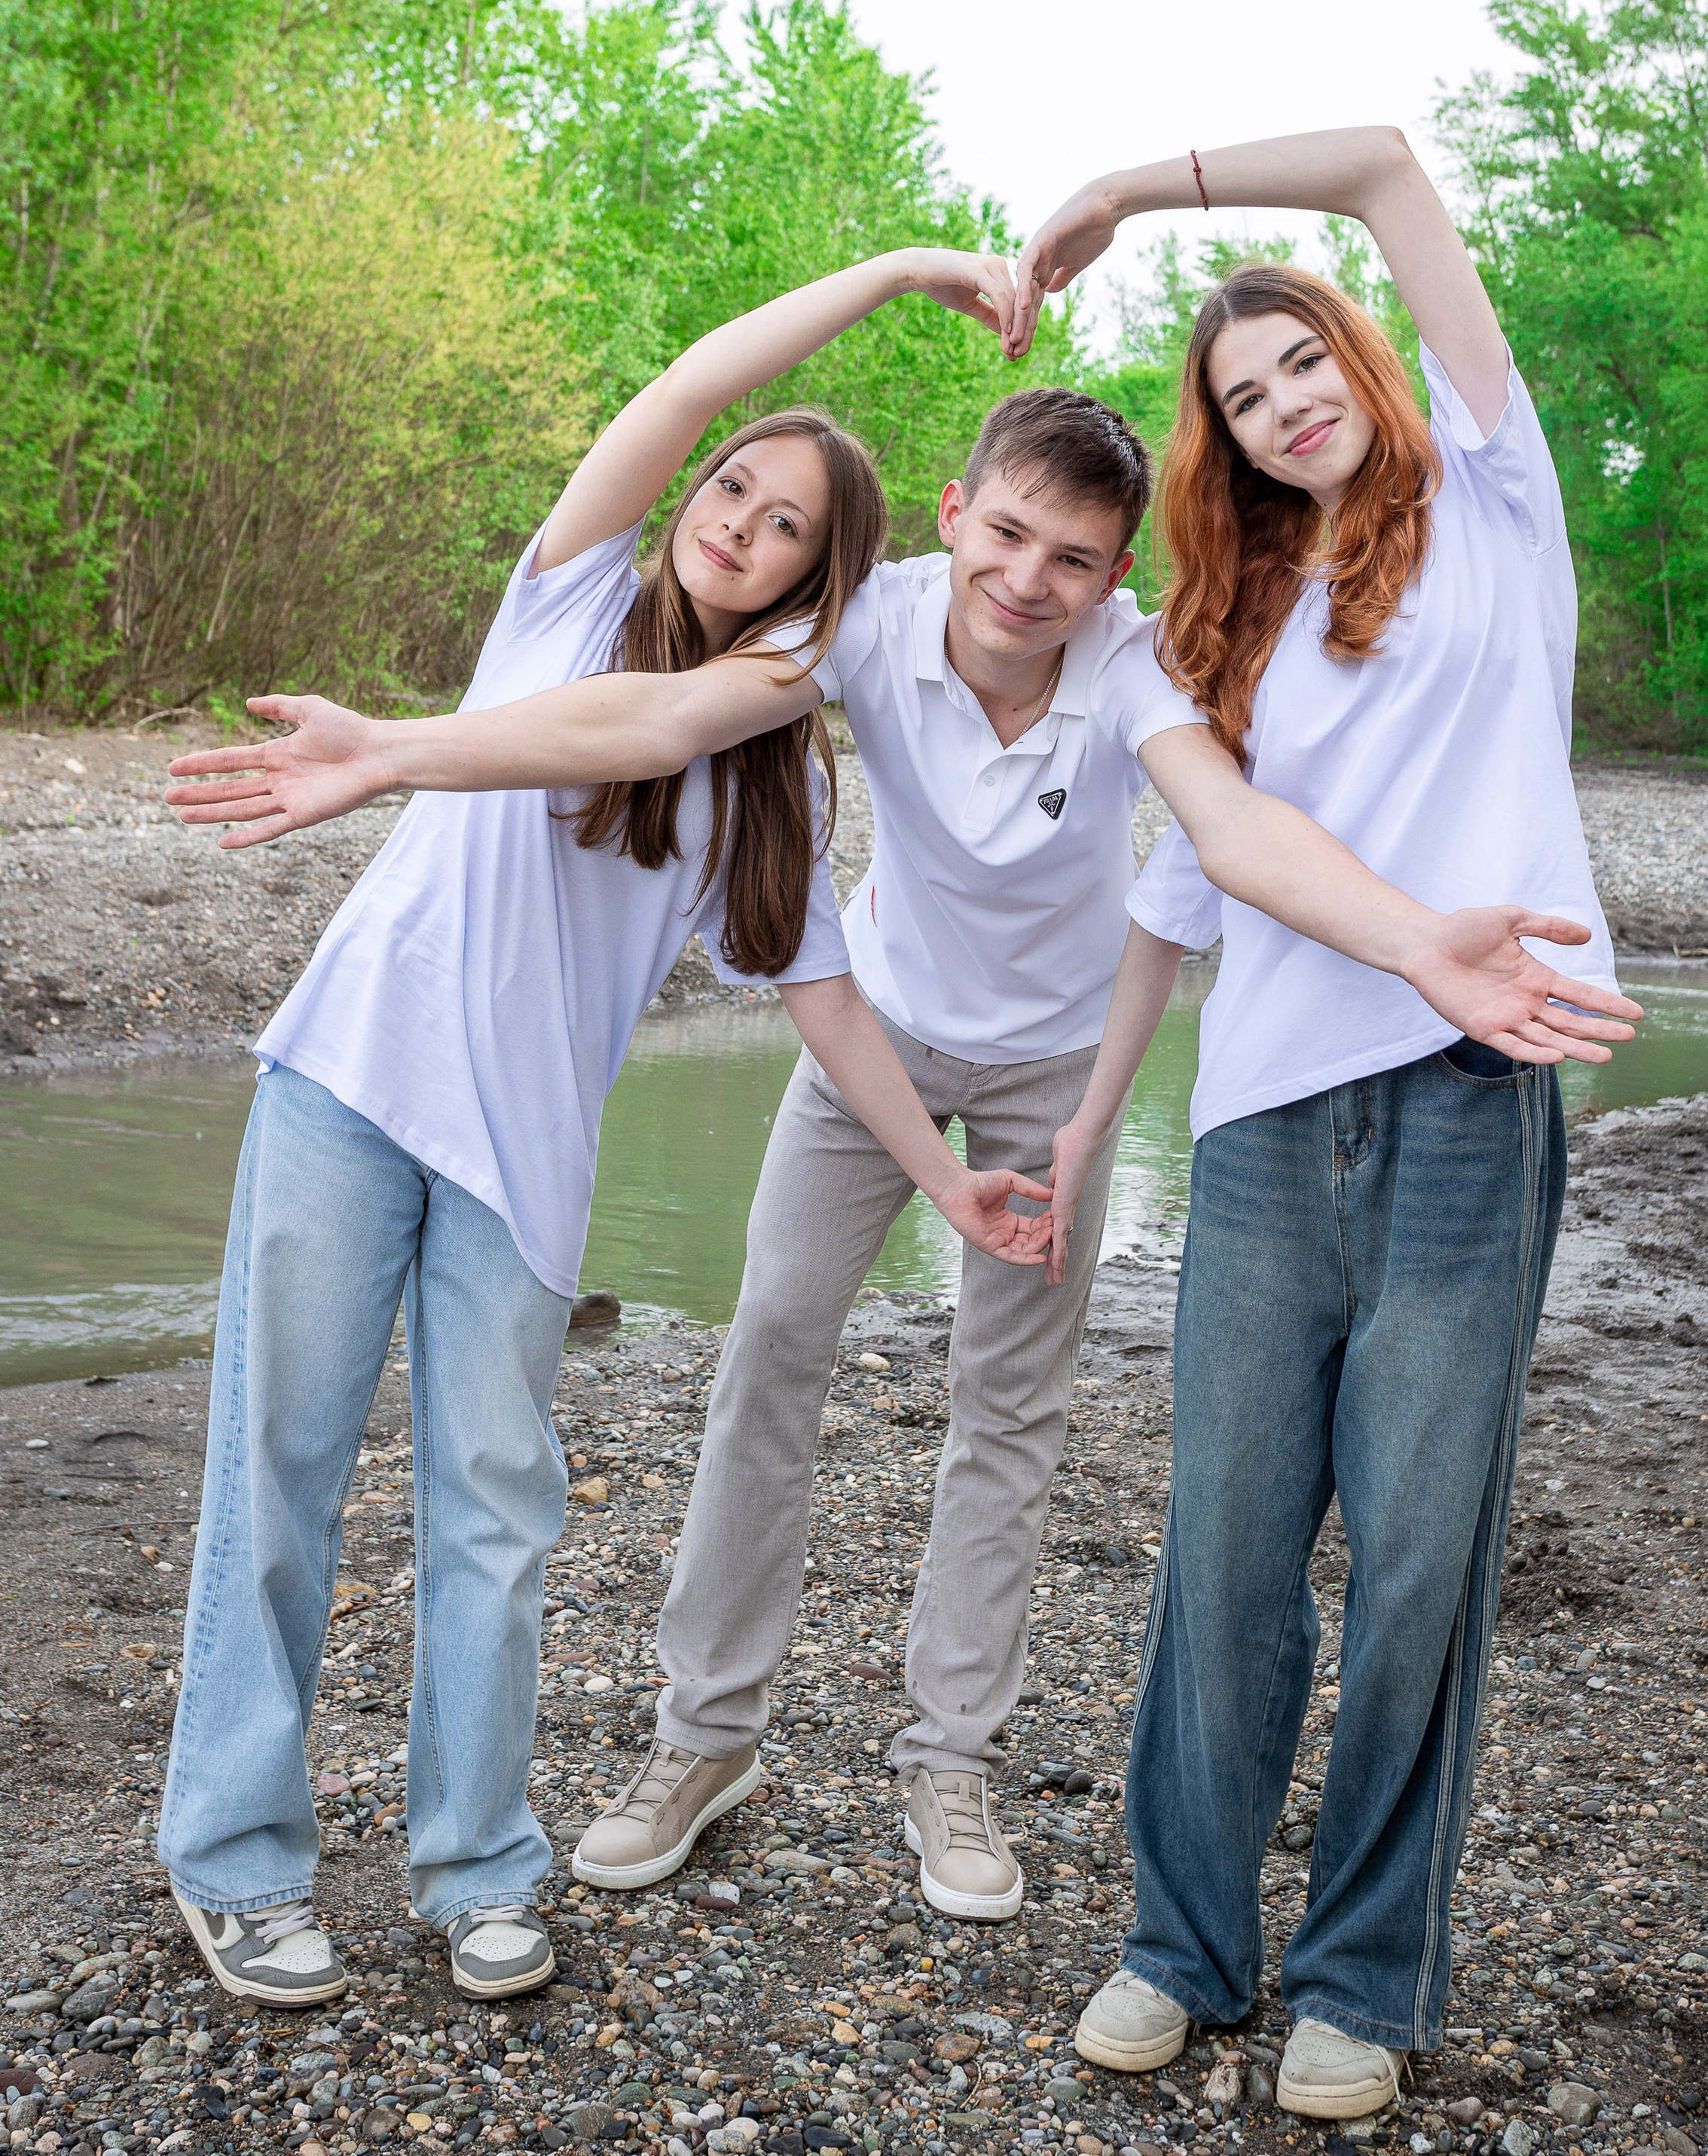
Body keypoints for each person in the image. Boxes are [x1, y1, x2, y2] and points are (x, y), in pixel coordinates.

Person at [173, 359, 1634, 1937]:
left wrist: (1411, 947)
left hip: (1056, 1067)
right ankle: (699, 1744)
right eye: (1003, 537)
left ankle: (950, 1762)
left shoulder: (1134, 668)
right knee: (765, 1361)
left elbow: (1222, 843)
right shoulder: (868, 621)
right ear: (953, 513)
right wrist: (394, 747)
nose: (1026, 583)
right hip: (875, 1029)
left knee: (1006, 1417)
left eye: (1070, 561)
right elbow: (663, 713)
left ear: (1111, 576)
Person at [154, 245, 1077, 2011]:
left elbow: (819, 992)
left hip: (522, 1167)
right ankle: (239, 1860)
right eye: (734, 485)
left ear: (818, 580)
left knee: (495, 1513)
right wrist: (891, 276)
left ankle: (474, 1862)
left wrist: (948, 1178)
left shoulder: (753, 749)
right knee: (274, 1482)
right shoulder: (561, 595)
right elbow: (688, 382)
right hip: (345, 1085)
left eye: (790, 524)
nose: (740, 518)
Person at [1011, 127, 1624, 2113]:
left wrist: (1136, 191)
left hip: (1473, 1109)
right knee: (1229, 1546)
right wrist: (1097, 1132)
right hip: (1270, 1125)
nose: (1282, 407)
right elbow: (1174, 912)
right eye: (1241, 397)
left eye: (1301, 366)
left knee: (1426, 1560)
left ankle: (1364, 1978)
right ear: (1225, 444)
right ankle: (1183, 1944)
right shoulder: (1220, 633)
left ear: (1365, 365)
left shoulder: (1504, 508)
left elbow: (1379, 164)